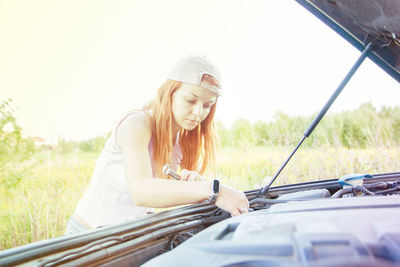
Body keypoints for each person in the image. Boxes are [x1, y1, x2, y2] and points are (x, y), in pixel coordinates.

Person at [65, 55, 249, 235]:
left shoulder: (177, 143)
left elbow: (158, 196)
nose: (198, 113)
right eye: (191, 100)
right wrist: (213, 190)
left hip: (123, 239)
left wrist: (196, 188)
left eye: (208, 105)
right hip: (85, 238)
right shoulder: (136, 124)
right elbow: (141, 192)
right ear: (170, 93)